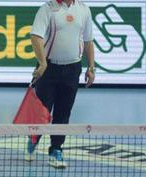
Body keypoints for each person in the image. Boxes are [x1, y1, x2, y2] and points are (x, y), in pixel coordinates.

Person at [29, 0, 96, 168]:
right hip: (48, 68)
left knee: (63, 112)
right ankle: (33, 140)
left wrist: (91, 67)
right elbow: (35, 36)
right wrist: (42, 63)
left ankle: (56, 149)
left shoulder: (83, 9)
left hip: (73, 69)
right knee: (42, 112)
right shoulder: (47, 8)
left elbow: (88, 40)